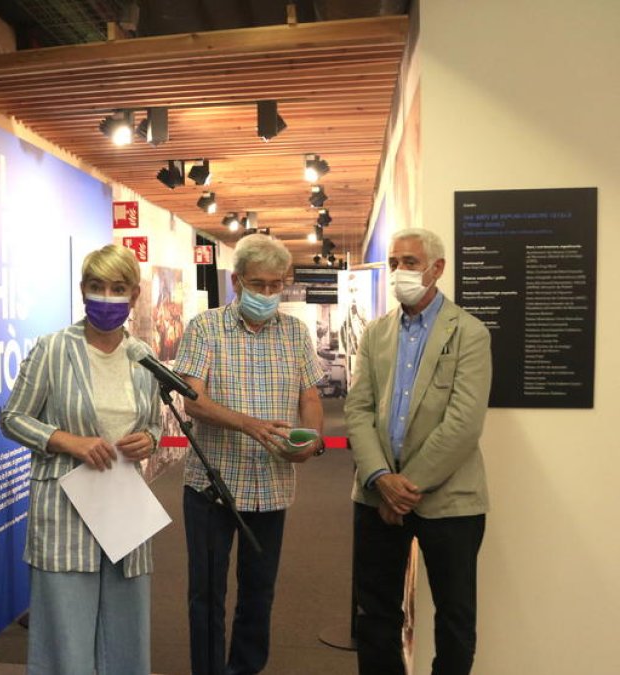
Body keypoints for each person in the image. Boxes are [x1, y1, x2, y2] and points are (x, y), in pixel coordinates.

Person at [0, 243, 162, 675]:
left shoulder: (143, 357)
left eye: (118, 287)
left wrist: (149, 439)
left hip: (124, 511)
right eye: (96, 286)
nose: (106, 296)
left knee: (126, 635)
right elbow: (11, 418)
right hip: (65, 510)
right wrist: (66, 440)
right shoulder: (53, 349)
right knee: (65, 641)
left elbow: (155, 425)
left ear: (134, 294)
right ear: (82, 290)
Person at [175, 233, 325, 675]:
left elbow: (311, 396)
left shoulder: (295, 332)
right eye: (258, 284)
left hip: (272, 486)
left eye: (276, 285)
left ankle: (245, 668)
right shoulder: (206, 327)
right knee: (207, 594)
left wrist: (313, 438)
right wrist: (250, 424)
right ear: (237, 282)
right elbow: (192, 401)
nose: (267, 294)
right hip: (212, 486)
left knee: (259, 591)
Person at [345, 227, 491, 675]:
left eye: (409, 262)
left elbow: (464, 423)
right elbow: (358, 409)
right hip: (375, 495)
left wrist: (405, 487)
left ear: (437, 268)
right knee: (375, 615)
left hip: (449, 501)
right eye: (393, 263)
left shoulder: (469, 333)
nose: (399, 272)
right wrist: (380, 480)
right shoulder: (376, 333)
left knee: (454, 617)